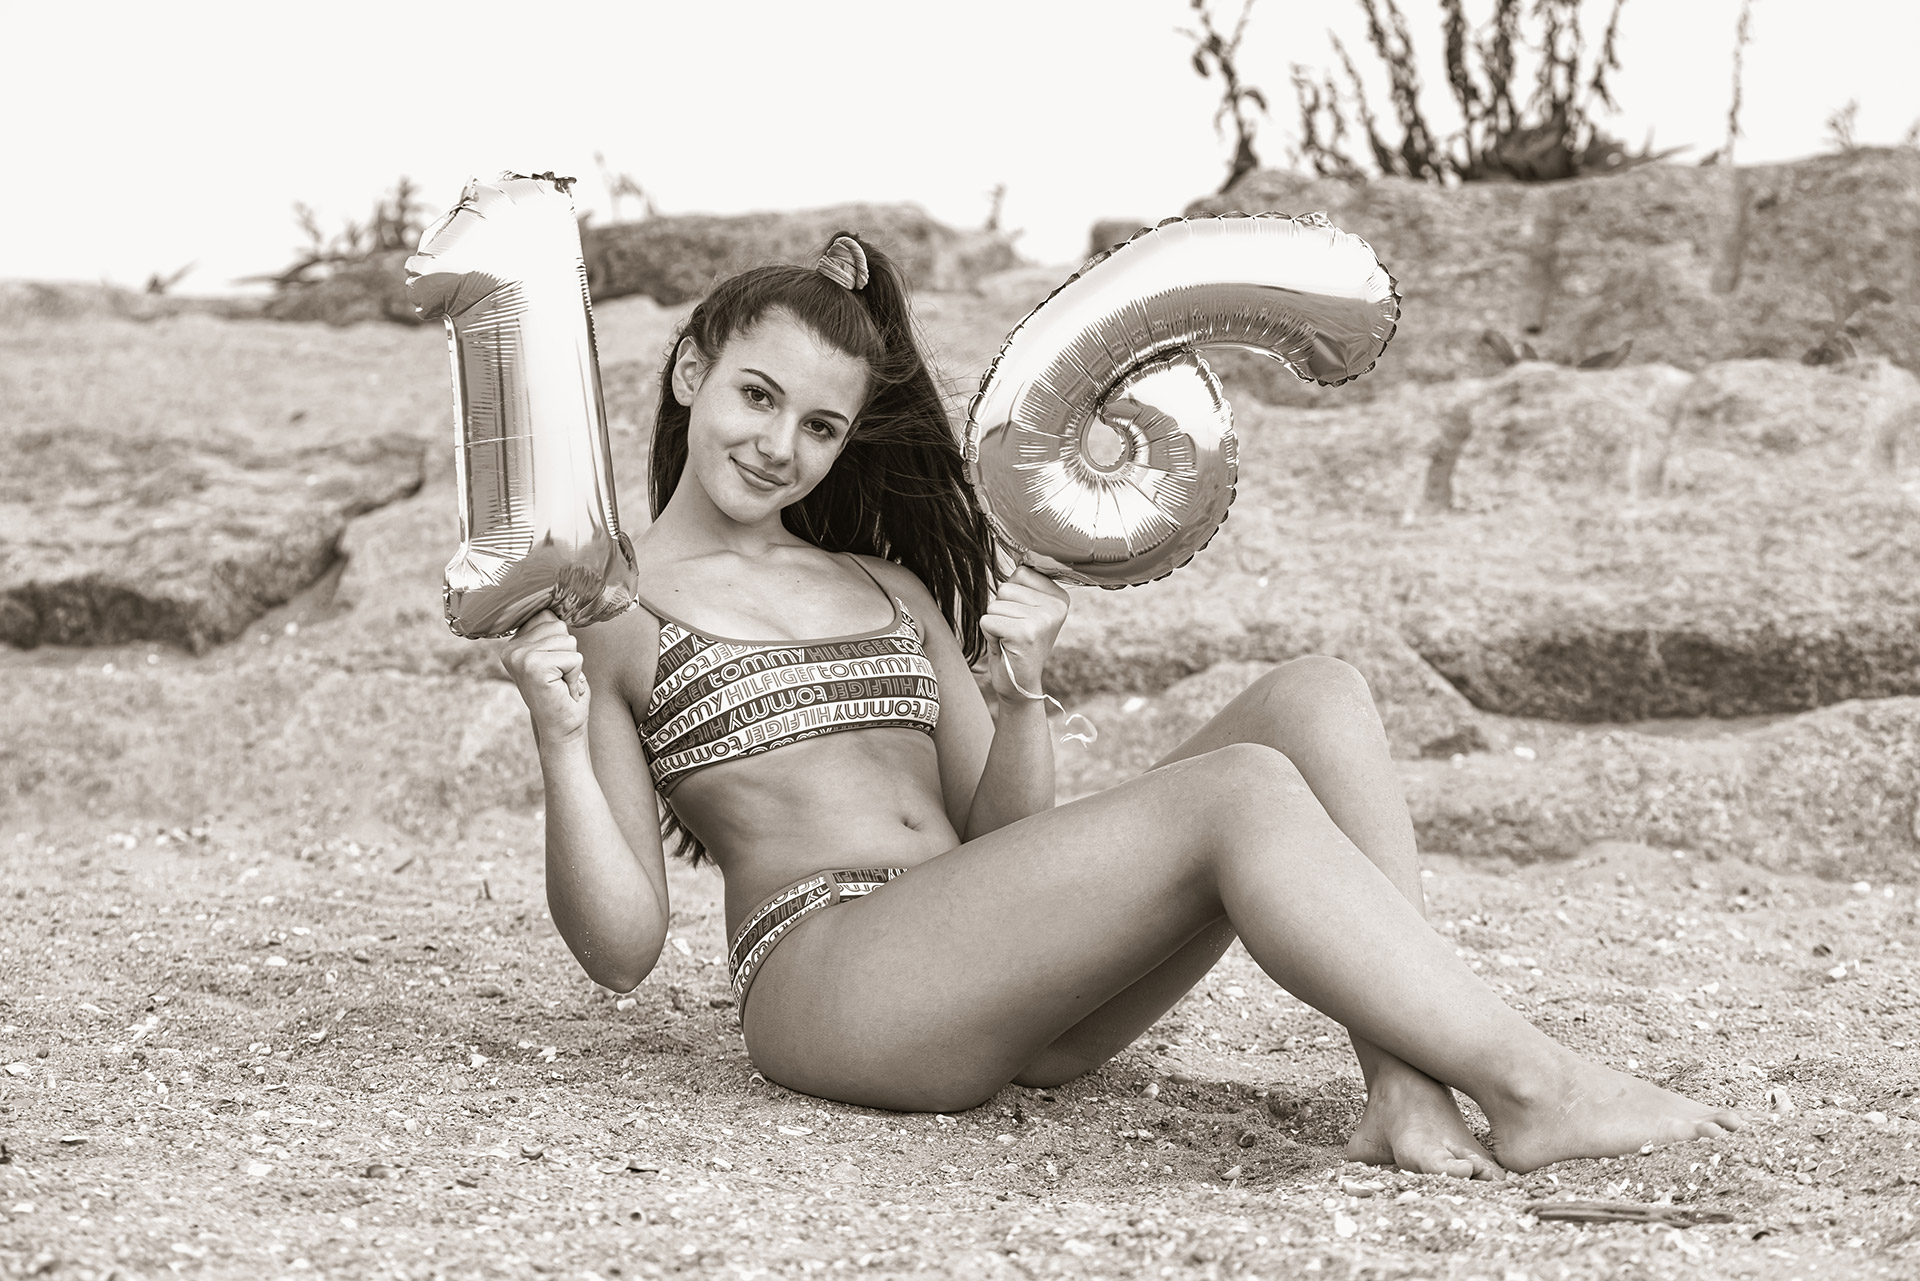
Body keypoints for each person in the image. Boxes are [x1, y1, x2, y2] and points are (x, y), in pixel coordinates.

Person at [501, 232, 1744, 1180]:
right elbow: (621, 950)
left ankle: (1407, 1090)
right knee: (1240, 793)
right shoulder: (616, 610)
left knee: (1315, 698)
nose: (782, 445)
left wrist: (1021, 698)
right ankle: (1532, 1088)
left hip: (1000, 975)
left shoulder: (886, 587)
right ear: (691, 374)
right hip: (836, 988)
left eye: (821, 425)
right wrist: (559, 738)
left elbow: (1000, 842)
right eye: (758, 397)